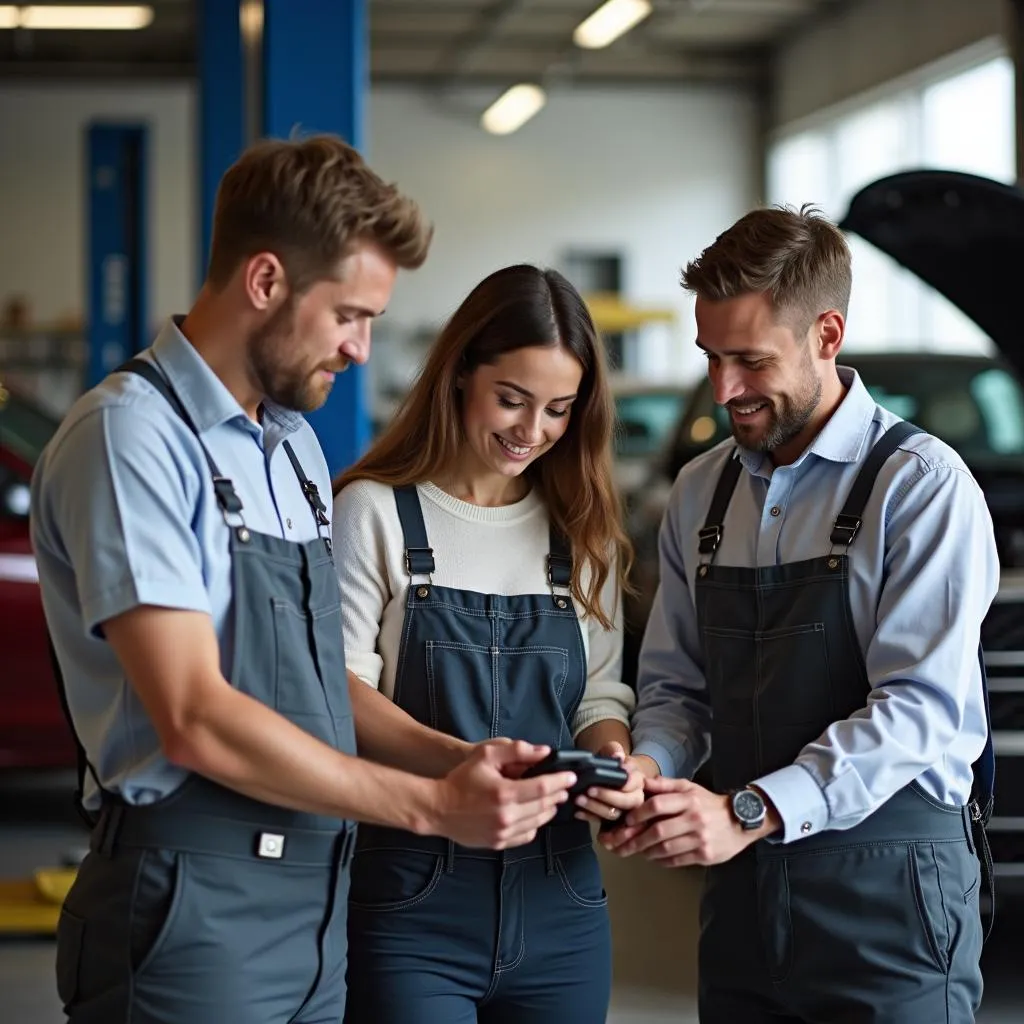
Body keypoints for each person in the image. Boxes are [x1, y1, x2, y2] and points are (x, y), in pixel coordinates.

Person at [30, 137, 579, 1024]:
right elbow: (194, 716)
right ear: (265, 281)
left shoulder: (292, 453)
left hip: (315, 905)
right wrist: (432, 807)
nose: (362, 349)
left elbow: (321, 684)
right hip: (191, 905)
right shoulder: (133, 439)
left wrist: (460, 758)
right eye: (349, 315)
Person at [601, 205, 997, 1023]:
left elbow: (919, 709)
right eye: (711, 358)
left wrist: (749, 808)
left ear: (826, 333)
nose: (725, 390)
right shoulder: (701, 492)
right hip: (746, 892)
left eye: (750, 360)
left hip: (891, 893)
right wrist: (650, 768)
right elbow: (679, 688)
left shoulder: (920, 486)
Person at [332, 264, 646, 1023]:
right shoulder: (373, 513)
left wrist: (616, 761)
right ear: (460, 374)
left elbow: (599, 693)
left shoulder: (581, 529)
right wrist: (458, 763)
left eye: (558, 410)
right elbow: (339, 691)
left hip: (563, 901)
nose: (529, 431)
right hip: (413, 899)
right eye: (511, 399)